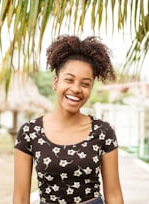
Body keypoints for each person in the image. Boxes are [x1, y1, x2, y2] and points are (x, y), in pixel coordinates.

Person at [13, 35, 124, 204]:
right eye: (69, 80)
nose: (76, 89)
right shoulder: (30, 132)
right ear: (56, 82)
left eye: (85, 84)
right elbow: (20, 198)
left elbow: (114, 196)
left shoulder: (103, 132)